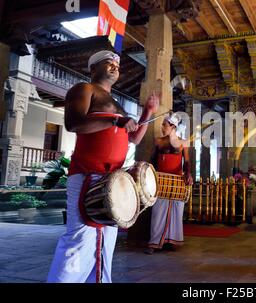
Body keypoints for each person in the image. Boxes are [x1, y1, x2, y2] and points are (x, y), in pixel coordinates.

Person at [47, 50, 159, 282]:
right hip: (87, 174)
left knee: (106, 243)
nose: (115, 67)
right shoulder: (83, 90)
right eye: (109, 63)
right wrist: (115, 120)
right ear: (93, 69)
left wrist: (147, 112)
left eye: (117, 65)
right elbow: (73, 123)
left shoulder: (116, 102)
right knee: (79, 240)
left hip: (111, 179)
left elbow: (134, 138)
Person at [145, 113, 193, 254]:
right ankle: (154, 243)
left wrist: (188, 174)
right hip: (161, 180)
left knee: (176, 211)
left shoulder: (183, 143)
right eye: (162, 125)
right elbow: (153, 160)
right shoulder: (159, 141)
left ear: (173, 127)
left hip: (177, 181)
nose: (162, 127)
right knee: (158, 211)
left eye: (164, 125)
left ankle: (172, 241)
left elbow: (187, 162)